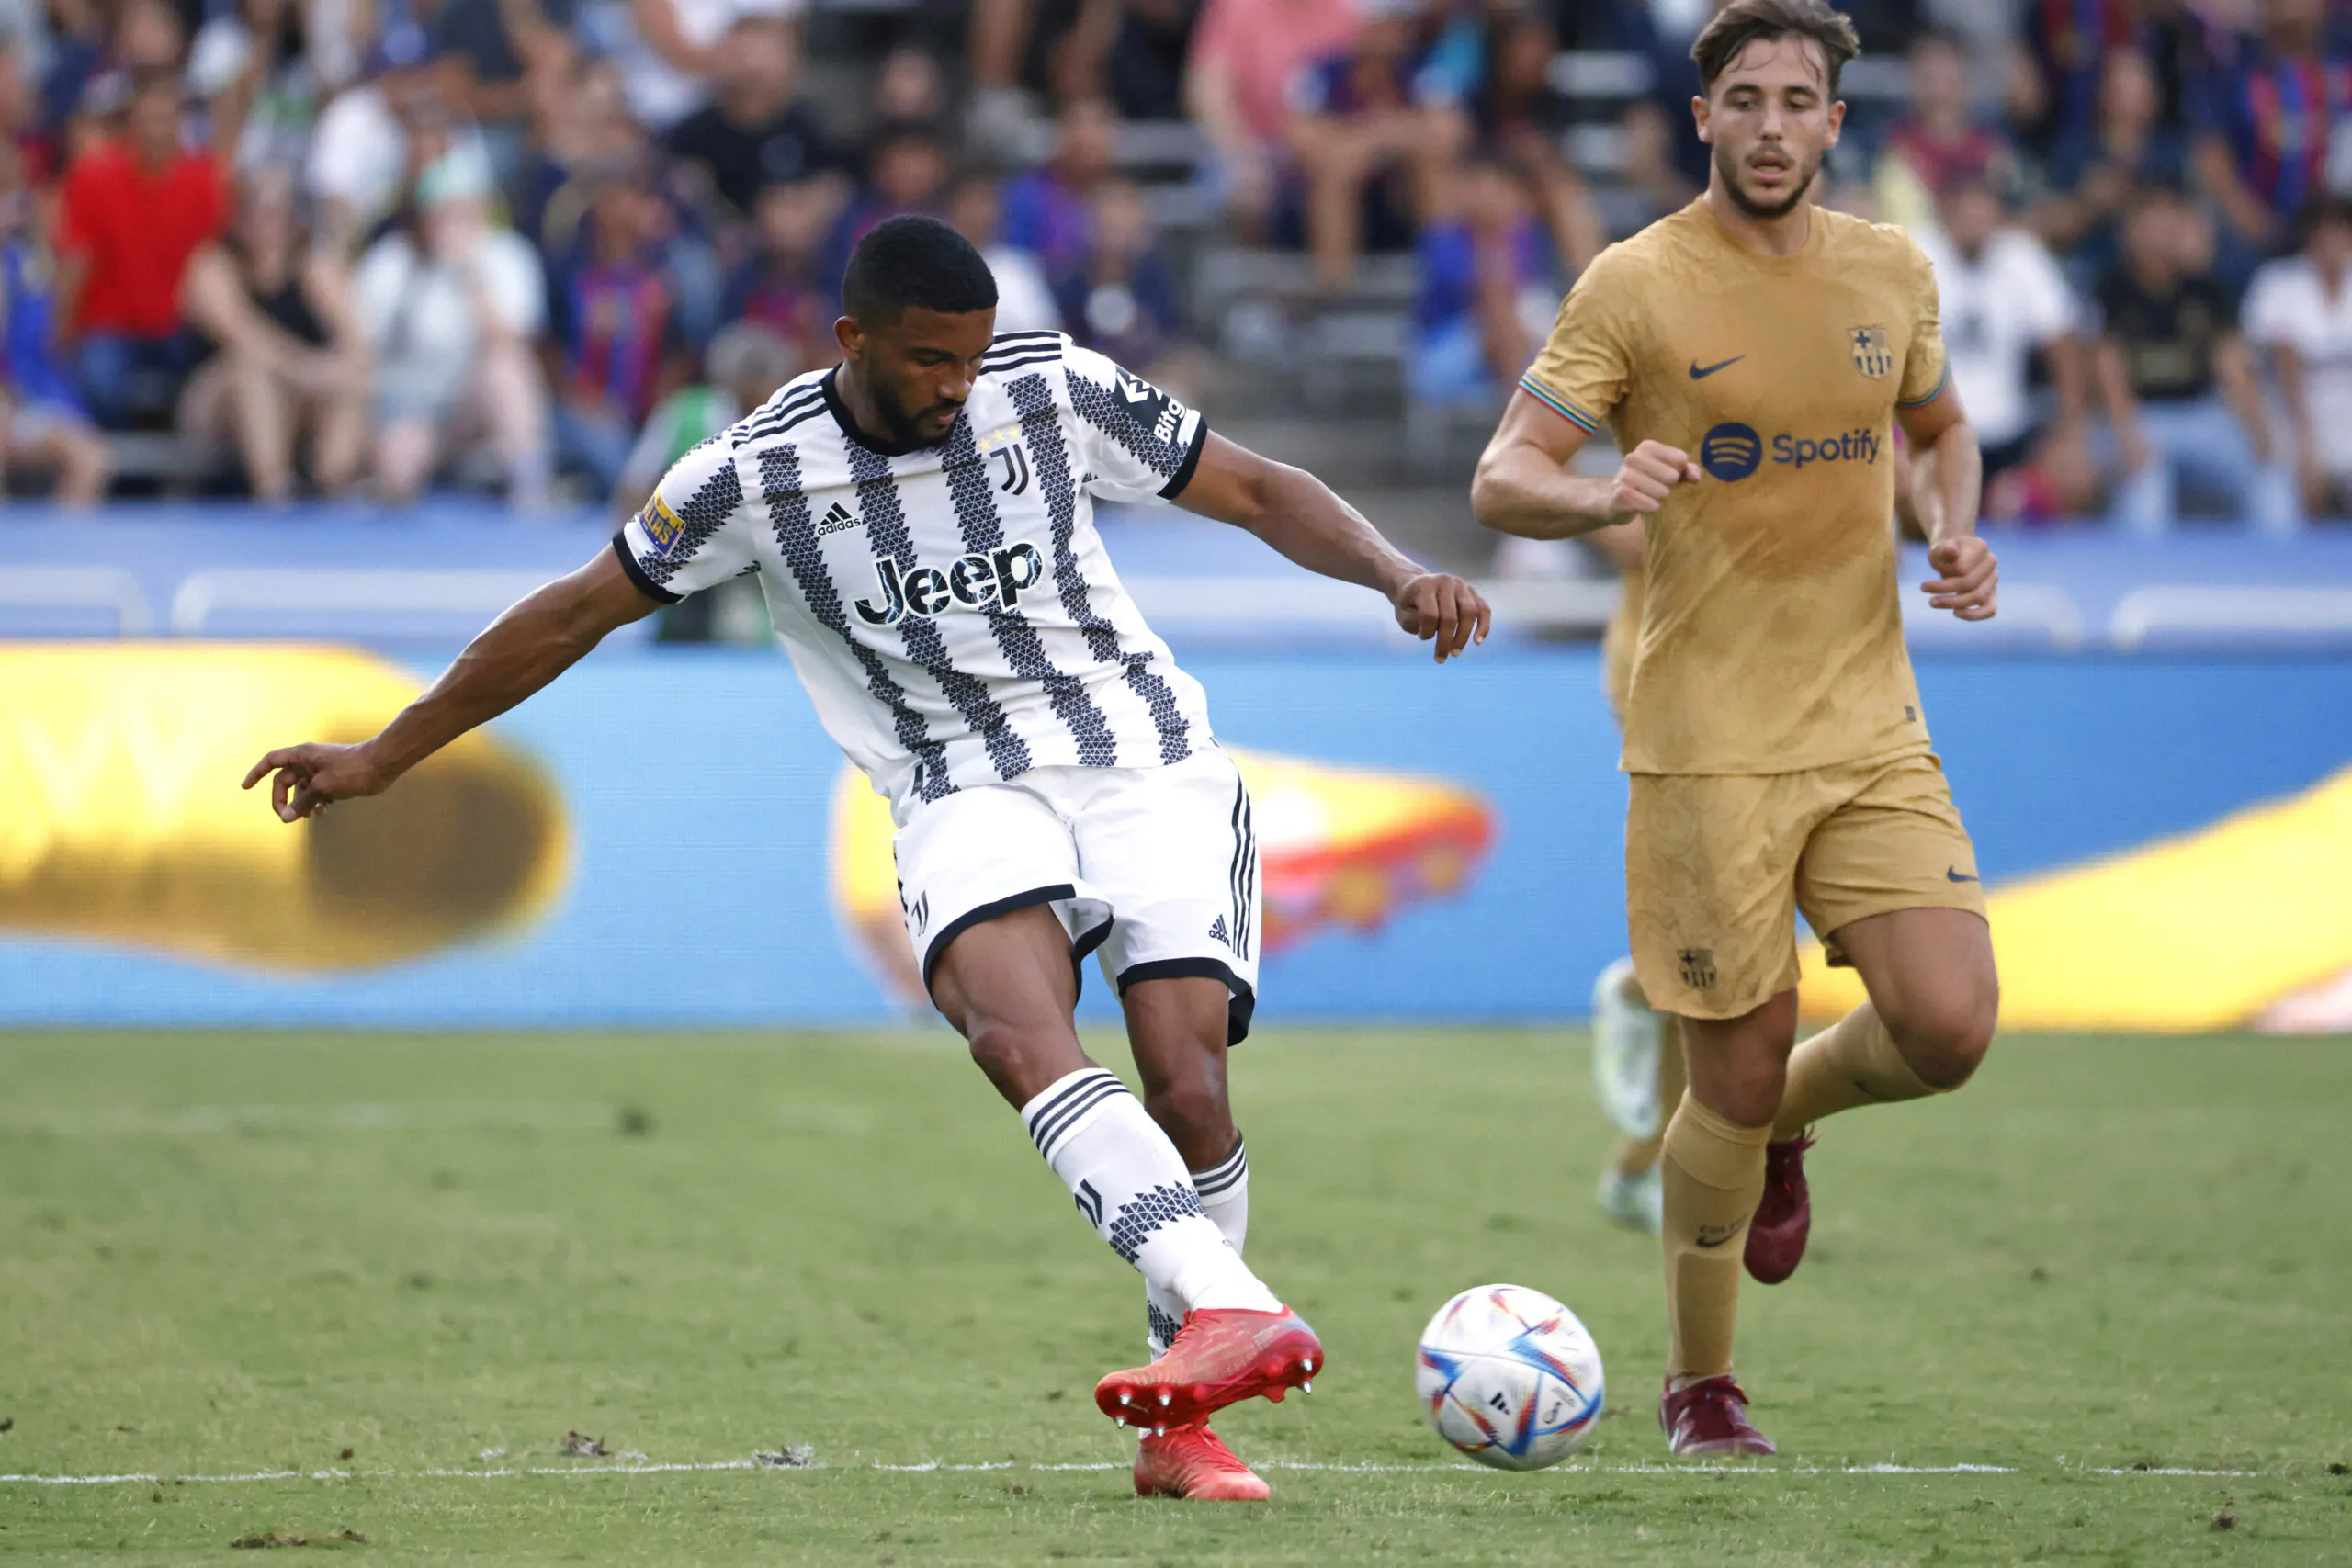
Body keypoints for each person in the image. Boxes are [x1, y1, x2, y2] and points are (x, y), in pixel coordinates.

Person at [244, 214, 1491, 1504]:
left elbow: (1256, 488)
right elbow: (572, 613)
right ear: (853, 338)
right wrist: (387, 753)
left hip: (1141, 753)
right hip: (956, 779)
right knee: (1011, 1031)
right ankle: (1229, 1305)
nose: (957, 386)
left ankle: (1182, 1419)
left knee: (1187, 1081)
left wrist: (1393, 573)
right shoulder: (750, 476)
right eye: (928, 359)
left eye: (971, 357)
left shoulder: (1052, 388)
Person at [1470, 0, 1999, 1457]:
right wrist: (1601, 493)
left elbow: (1943, 429)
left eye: (1797, 101)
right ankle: (1701, 1386)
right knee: (1733, 1069)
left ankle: (1784, 1127)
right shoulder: (1635, 284)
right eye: (1745, 100)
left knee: (1952, 1023)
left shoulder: (1890, 268)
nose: (1771, 126)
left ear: (1836, 122)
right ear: (1701, 116)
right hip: (1706, 736)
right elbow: (1504, 474)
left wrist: (1954, 527)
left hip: (1870, 716)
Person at [2093, 184, 2296, 535]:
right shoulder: (2111, 289)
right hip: (2143, 417)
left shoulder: (2206, 289)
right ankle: (2142, 566)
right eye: (2151, 220)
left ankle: (2285, 564)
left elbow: (2232, 365)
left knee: (2272, 477)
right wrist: (2127, 434)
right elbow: (2107, 370)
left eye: (2169, 218)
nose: (2161, 230)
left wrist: (2258, 426)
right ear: (2131, 229)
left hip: (2203, 414)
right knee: (2144, 491)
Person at [352, 148, 549, 506]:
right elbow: (364, 349)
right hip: (410, 404)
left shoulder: (508, 255)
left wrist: (467, 274)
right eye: (443, 212)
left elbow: (510, 341)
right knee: (397, 474)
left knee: (506, 367)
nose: (452, 223)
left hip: (473, 405)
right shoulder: (392, 259)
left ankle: (531, 485)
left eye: (463, 211)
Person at [178, 165, 368, 500]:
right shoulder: (212, 266)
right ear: (237, 217)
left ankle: (333, 483)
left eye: (276, 211)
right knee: (252, 370)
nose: (267, 222)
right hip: (219, 399)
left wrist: (333, 371)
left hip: (299, 392)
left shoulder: (313, 268)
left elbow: (357, 344)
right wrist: (306, 370)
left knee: (348, 381)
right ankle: (273, 485)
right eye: (255, 210)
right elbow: (242, 336)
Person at [53, 68, 227, 429]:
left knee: (208, 376)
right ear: (132, 119)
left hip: (179, 329)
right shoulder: (94, 177)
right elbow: (77, 263)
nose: (156, 128)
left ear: (180, 120)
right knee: (100, 384)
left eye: (165, 116)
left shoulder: (204, 182)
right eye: (149, 117)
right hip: (110, 328)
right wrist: (60, 334)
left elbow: (216, 263)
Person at [1914, 176, 2086, 491]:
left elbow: (2061, 340)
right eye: (1967, 212)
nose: (1975, 221)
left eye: (1984, 212)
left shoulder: (2020, 255)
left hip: (2009, 432)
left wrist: (2070, 430)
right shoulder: (1913, 253)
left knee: (2076, 480)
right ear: (1946, 214)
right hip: (1930, 436)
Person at [0, 145, 108, 502]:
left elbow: (42, 351)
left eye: (13, 196)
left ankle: (65, 536)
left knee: (90, 458)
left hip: (25, 403)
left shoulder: (29, 265)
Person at [2243, 194, 2352, 515]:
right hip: (2288, 419)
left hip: (2346, 419)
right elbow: (2286, 367)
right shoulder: (2278, 283)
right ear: (2310, 237)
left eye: (2342, 233)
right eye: (2326, 233)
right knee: (2279, 503)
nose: (2334, 243)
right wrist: (2307, 447)